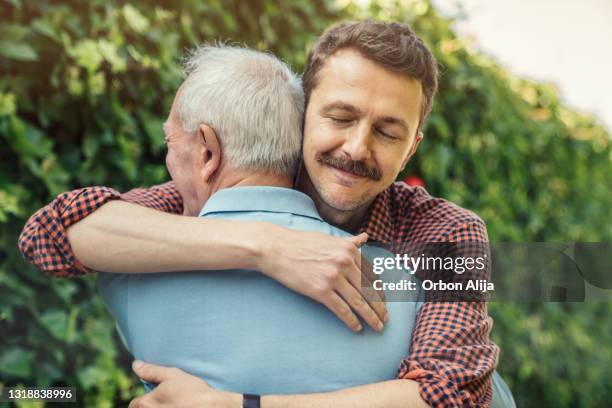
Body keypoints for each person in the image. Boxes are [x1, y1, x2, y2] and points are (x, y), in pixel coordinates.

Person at [19, 21, 508, 407]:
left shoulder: (446, 233)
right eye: (340, 117)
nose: (356, 148)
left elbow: (451, 396)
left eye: (388, 132)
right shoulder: (218, 189)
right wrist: (268, 248)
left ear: (412, 148)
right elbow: (54, 233)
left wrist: (239, 406)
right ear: (302, 114)